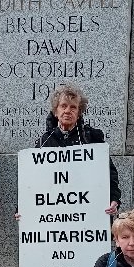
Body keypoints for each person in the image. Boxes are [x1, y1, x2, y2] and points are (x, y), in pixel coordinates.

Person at [36, 84, 121, 215]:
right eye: (63, 106)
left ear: (79, 112)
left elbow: (109, 173)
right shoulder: (45, 141)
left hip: (87, 211)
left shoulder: (92, 138)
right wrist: (24, 208)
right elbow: (33, 179)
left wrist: (114, 199)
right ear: (56, 111)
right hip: (54, 212)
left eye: (73, 107)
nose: (68, 111)